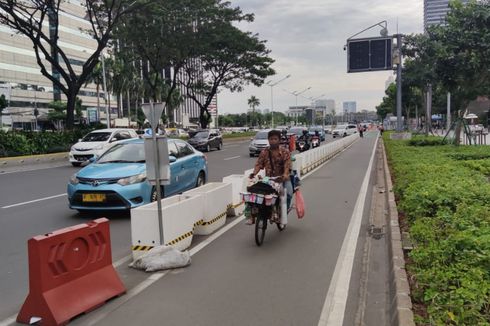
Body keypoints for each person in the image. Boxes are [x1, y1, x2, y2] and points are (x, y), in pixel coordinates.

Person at [247, 129, 292, 225]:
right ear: (268, 140)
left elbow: (287, 165)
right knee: (255, 193)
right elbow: (259, 164)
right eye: (271, 139)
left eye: (275, 139)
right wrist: (254, 173)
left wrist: (284, 175)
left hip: (283, 178)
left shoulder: (285, 152)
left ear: (279, 140)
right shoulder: (264, 152)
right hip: (269, 179)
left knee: (288, 194)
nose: (273, 141)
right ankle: (253, 216)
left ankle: (283, 212)